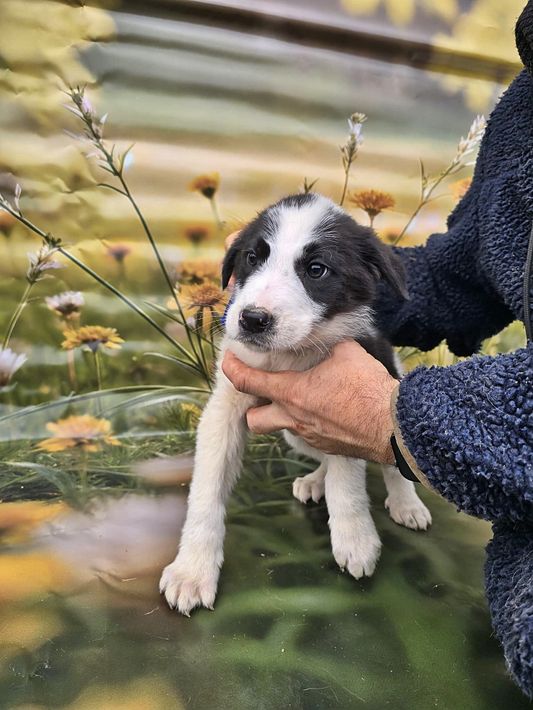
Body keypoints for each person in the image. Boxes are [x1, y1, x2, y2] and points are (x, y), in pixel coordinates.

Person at [221, 1, 533, 698]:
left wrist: (405, 420)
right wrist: (336, 283)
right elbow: (469, 265)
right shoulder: (525, 105)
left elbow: (383, 408)